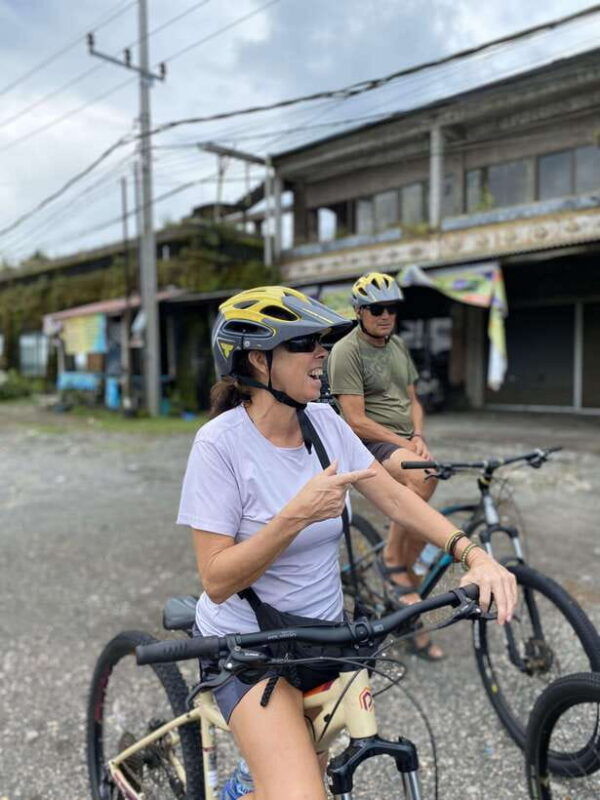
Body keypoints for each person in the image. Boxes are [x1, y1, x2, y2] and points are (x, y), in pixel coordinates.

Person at [177, 285, 517, 800]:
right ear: (258, 361)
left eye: (323, 342)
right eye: (305, 344)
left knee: (305, 782)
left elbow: (397, 501)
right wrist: (294, 517)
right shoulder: (220, 445)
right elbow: (217, 579)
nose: (322, 353)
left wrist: (474, 555)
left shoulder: (325, 424)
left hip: (324, 641)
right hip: (248, 650)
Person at [327, 271, 442, 660]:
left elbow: (413, 400)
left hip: (403, 440)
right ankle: (395, 560)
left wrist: (420, 437)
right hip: (370, 439)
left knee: (427, 484)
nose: (385, 316)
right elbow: (355, 419)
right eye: (377, 309)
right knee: (424, 477)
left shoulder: (399, 347)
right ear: (359, 311)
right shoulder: (347, 350)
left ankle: (403, 574)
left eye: (391, 308)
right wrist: (405, 442)